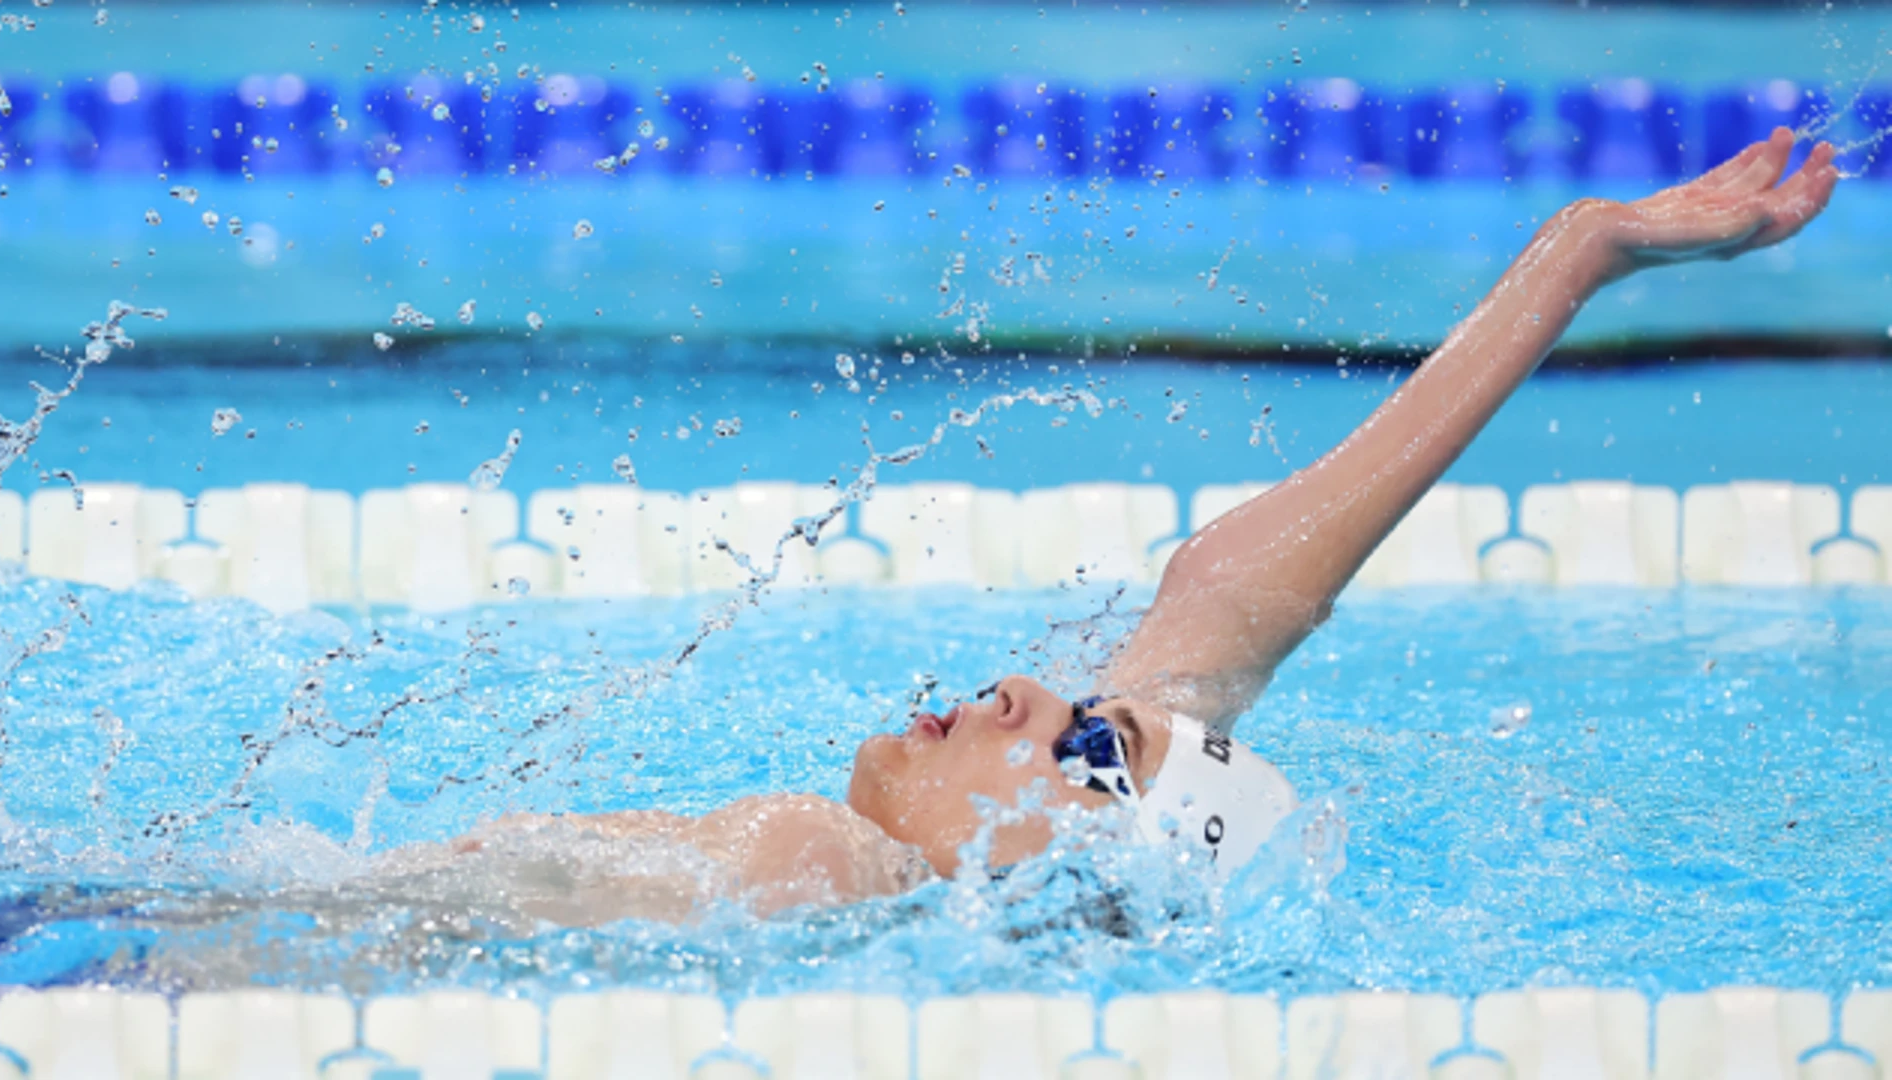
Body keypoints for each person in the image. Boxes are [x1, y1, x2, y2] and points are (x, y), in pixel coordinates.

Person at [454, 131, 1840, 921]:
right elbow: (1231, 595)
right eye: (1090, 712)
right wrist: (1582, 251)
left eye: (1087, 748)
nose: (1027, 691)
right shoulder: (967, 886)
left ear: (1079, 870)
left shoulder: (820, 864)